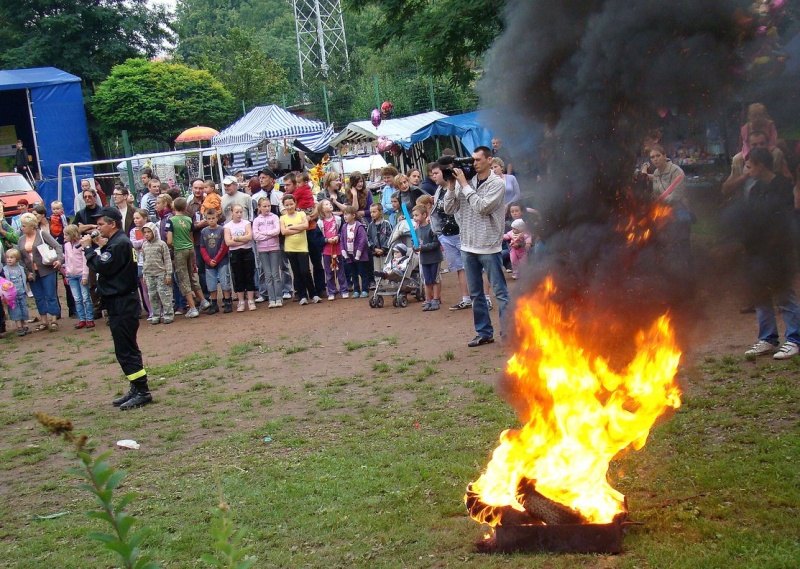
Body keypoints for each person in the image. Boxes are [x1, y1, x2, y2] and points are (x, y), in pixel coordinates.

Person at [80, 207, 152, 409]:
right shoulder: (115, 243)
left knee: (126, 348)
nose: (97, 227)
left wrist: (88, 249)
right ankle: (135, 387)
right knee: (125, 347)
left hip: (122, 302)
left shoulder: (119, 243)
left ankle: (142, 390)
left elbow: (103, 266)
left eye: (101, 223)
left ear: (113, 224)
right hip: (118, 302)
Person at [738, 147, 800, 359]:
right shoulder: (755, 189)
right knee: (760, 293)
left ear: (761, 165)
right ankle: (768, 338)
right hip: (758, 250)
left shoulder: (782, 186)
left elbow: (784, 219)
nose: (747, 171)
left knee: (784, 294)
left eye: (749, 166)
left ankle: (795, 339)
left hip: (778, 249)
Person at [443, 146, 509, 347]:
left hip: (489, 245)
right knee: (476, 293)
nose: (474, 163)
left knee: (500, 293)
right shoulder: (466, 183)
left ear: (490, 160)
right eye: (473, 160)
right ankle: (484, 332)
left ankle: (508, 333)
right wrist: (452, 185)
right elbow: (449, 208)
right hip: (468, 245)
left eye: (479, 160)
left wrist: (463, 185)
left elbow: (483, 207)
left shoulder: (497, 183)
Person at [430, 161, 472, 311]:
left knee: (474, 266)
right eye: (432, 174)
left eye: (436, 173)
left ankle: (483, 298)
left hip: (461, 233)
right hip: (446, 235)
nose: (433, 176)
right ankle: (466, 298)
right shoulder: (438, 190)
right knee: (459, 268)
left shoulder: (458, 186)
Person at [17, 212, 63, 332]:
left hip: (46, 269)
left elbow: (58, 246)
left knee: (50, 294)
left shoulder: (42, 234)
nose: (22, 228)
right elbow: (20, 258)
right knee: (38, 297)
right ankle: (44, 320)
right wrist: (27, 273)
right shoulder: (21, 239)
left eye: (24, 225)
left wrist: (59, 260)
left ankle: (54, 319)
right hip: (32, 273)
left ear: (31, 226)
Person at [166, 197, 209, 318]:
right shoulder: (189, 219)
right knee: (191, 276)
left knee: (183, 278)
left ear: (174, 208)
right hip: (190, 249)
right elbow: (191, 236)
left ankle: (192, 307)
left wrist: (174, 247)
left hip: (179, 250)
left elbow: (169, 240)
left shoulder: (171, 220)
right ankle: (203, 300)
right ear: (185, 208)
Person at [280, 193, 318, 305]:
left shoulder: (301, 214)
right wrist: (298, 228)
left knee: (305, 271)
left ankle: (313, 294)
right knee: (296, 273)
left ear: (295, 204)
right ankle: (302, 295)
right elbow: (284, 231)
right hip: (290, 248)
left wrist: (291, 227)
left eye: (291, 204)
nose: (289, 207)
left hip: (302, 247)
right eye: (287, 205)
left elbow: (305, 226)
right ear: (284, 206)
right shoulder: (283, 218)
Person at [224, 203, 257, 311]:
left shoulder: (246, 223)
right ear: (232, 213)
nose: (239, 214)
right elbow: (228, 242)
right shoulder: (227, 226)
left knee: (249, 275)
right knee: (238, 277)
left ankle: (251, 300)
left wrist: (236, 239)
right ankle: (241, 301)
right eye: (236, 212)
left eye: (240, 212)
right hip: (235, 254)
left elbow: (249, 237)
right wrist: (242, 239)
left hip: (247, 251)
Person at [61, 224, 95, 329]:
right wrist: (66, 273)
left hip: (81, 274)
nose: (64, 237)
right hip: (71, 275)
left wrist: (85, 276)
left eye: (66, 235)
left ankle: (89, 318)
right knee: (77, 298)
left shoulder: (81, 244)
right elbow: (66, 259)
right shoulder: (66, 245)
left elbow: (85, 261)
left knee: (85, 298)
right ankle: (81, 319)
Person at [141, 222, 174, 325]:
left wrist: (168, 274)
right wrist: (144, 274)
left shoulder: (161, 244)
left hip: (161, 274)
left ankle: (168, 314)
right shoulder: (144, 245)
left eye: (149, 232)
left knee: (165, 295)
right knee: (153, 295)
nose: (146, 234)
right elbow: (144, 260)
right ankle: (156, 315)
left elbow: (167, 260)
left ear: (154, 232)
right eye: (145, 232)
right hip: (150, 274)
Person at [251, 198, 282, 308]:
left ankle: (279, 298)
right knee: (268, 275)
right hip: (262, 250)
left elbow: (277, 231)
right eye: (264, 206)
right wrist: (269, 234)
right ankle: (271, 299)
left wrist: (264, 234)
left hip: (274, 248)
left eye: (268, 206)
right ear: (259, 207)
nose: (267, 208)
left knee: (275, 274)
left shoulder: (274, 217)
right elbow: (255, 236)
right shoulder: (256, 220)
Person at [200, 209, 232, 314]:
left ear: (217, 218)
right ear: (206, 220)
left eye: (213, 218)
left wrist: (216, 259)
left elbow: (224, 246)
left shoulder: (222, 230)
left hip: (222, 261)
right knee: (211, 284)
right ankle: (214, 304)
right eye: (209, 219)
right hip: (209, 263)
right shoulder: (204, 232)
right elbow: (202, 248)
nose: (211, 220)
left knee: (224, 282)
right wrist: (209, 260)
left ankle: (227, 302)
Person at [412, 204, 443, 311]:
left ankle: (435, 299)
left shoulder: (432, 228)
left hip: (434, 258)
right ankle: (428, 299)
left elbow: (435, 243)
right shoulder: (416, 231)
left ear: (424, 215)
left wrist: (422, 248)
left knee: (435, 279)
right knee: (427, 280)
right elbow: (414, 243)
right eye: (414, 216)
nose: (414, 218)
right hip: (424, 259)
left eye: (416, 215)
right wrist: (415, 248)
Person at [317, 199, 347, 300]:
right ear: (322, 209)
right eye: (326, 204)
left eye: (330, 203)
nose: (330, 205)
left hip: (338, 249)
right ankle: (331, 291)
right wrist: (326, 240)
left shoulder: (338, 219)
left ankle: (344, 289)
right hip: (327, 251)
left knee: (341, 271)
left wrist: (338, 236)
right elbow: (317, 238)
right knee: (329, 271)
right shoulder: (320, 223)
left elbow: (343, 231)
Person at [340, 205, 370, 298]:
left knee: (362, 272)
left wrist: (358, 253)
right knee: (353, 273)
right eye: (344, 214)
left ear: (353, 215)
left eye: (347, 214)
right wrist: (344, 252)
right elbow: (342, 240)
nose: (345, 216)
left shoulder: (359, 226)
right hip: (349, 255)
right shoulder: (344, 227)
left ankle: (365, 289)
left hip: (359, 255)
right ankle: (356, 290)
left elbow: (363, 240)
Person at [3, 248, 30, 336]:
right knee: (15, 310)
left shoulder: (21, 268)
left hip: (21, 293)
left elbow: (24, 280)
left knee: (23, 309)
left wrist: (26, 290)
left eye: (11, 257)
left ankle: (24, 324)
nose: (9, 259)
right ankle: (19, 327)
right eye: (7, 257)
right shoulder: (4, 270)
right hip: (12, 296)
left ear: (17, 259)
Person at [130, 208, 151, 319]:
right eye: (134, 218)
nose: (136, 220)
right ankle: (150, 311)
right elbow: (133, 244)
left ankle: (160, 309)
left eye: (138, 218)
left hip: (152, 261)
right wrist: (143, 240)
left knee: (155, 287)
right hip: (141, 263)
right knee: (145, 288)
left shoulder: (151, 227)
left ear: (145, 218)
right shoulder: (133, 231)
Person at [367, 203, 392, 277]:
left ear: (381, 212)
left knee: (386, 271)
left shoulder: (386, 224)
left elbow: (390, 237)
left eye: (374, 212)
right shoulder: (370, 225)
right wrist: (374, 248)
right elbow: (368, 238)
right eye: (371, 212)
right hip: (375, 253)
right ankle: (379, 286)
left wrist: (384, 249)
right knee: (377, 271)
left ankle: (387, 286)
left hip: (386, 253)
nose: (372, 214)